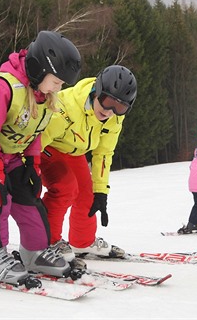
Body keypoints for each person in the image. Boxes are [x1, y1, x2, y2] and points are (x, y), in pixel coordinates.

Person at [0, 30, 82, 285]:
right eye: (57, 81)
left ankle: (34, 252)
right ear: (39, 69)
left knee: (27, 197)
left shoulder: (42, 96)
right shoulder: (3, 87)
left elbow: (33, 130)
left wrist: (33, 164)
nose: (60, 87)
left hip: (9, 151)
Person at [39, 65, 137, 260]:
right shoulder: (65, 108)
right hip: (46, 147)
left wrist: (101, 190)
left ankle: (82, 242)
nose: (110, 111)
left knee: (88, 194)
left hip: (74, 151)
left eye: (120, 107)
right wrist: (27, 169)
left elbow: (104, 153)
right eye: (108, 102)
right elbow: (38, 139)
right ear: (97, 92)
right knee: (65, 188)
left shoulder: (114, 119)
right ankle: (47, 241)